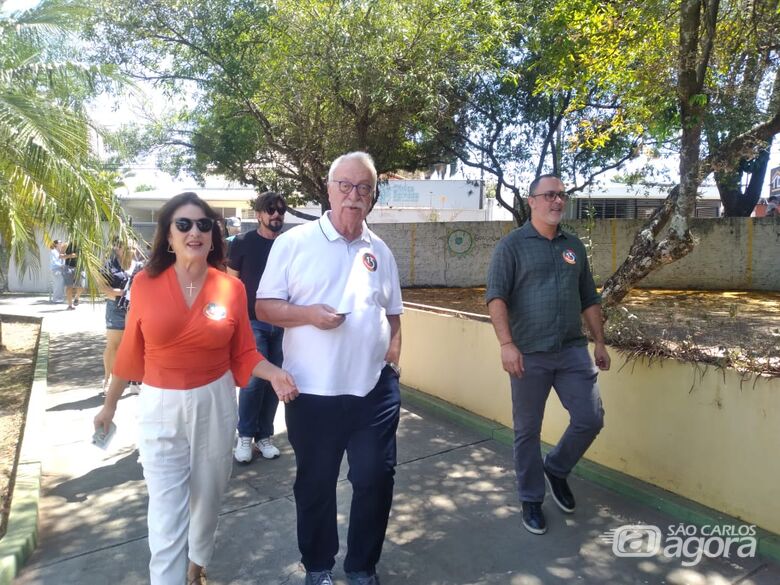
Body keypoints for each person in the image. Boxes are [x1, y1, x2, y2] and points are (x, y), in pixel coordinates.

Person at [93, 192, 298, 585]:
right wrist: (109, 407)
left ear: (213, 235)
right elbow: (130, 353)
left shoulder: (230, 289)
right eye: (183, 225)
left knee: (207, 497)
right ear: (168, 236)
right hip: (159, 406)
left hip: (215, 402)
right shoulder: (146, 283)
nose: (195, 232)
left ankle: (197, 565)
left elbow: (244, 353)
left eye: (204, 225)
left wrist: (273, 373)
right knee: (166, 511)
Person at [256, 152, 402, 585]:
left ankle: (361, 567)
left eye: (364, 189)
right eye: (345, 186)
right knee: (316, 486)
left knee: (376, 478)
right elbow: (265, 307)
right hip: (313, 393)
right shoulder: (295, 243)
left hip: (373, 390)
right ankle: (318, 567)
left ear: (373, 196)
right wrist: (309, 315)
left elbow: (392, 310)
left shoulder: (380, 250)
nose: (354, 197)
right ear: (329, 188)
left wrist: (394, 355)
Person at [485, 174, 610, 536]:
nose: (557, 201)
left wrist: (599, 341)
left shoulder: (574, 247)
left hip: (572, 350)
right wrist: (506, 344)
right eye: (549, 195)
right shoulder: (511, 246)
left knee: (590, 418)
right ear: (532, 201)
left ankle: (556, 467)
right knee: (527, 431)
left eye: (562, 195)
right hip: (528, 354)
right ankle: (530, 498)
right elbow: (496, 297)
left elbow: (589, 297)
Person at [227, 192, 287, 463]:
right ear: (260, 214)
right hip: (253, 323)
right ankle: (245, 436)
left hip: (284, 325)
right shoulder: (242, 243)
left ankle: (265, 436)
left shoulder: (289, 245)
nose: (276, 215)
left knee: (276, 382)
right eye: (270, 210)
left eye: (280, 211)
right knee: (253, 383)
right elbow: (231, 285)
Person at [98, 238, 142, 395]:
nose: (130, 249)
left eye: (132, 246)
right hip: (116, 307)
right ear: (117, 248)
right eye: (126, 247)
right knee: (114, 345)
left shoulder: (141, 266)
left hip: (137, 309)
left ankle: (134, 380)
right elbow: (102, 286)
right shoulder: (110, 264)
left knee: (135, 346)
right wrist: (121, 293)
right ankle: (108, 379)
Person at [63, 241, 84, 310]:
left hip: (80, 267)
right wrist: (70, 256)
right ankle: (70, 305)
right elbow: (60, 256)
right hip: (69, 267)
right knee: (69, 286)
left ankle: (77, 298)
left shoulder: (83, 243)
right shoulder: (66, 244)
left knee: (81, 286)